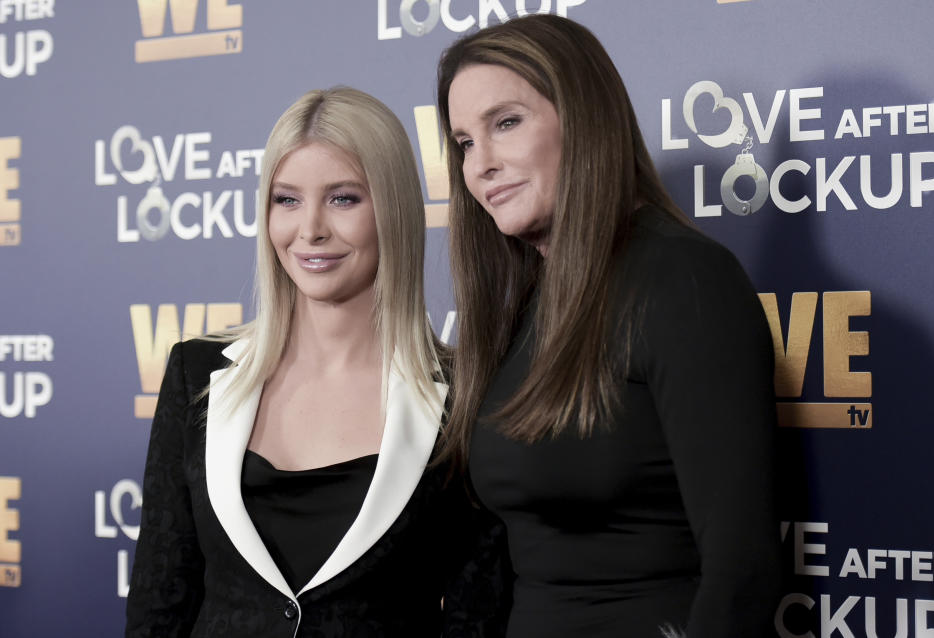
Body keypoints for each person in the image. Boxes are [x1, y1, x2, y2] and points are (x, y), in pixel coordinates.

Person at [435, 15, 781, 638]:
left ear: (585, 120)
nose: (481, 163)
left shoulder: (685, 280)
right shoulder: (523, 307)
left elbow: (742, 571)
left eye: (505, 123)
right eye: (463, 142)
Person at [126, 87, 509, 638]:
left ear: (394, 210)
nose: (310, 230)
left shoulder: (466, 393)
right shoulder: (197, 374)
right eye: (286, 200)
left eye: (343, 198)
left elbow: (480, 616)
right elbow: (159, 603)